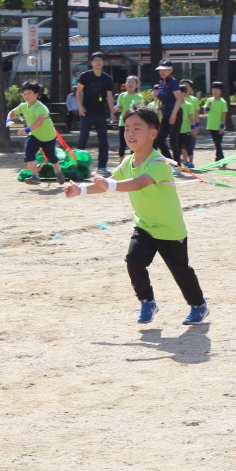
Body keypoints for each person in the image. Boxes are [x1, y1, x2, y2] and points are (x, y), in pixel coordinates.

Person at [65, 106, 209, 325]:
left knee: (180, 271)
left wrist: (111, 185)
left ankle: (199, 305)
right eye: (127, 129)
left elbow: (138, 183)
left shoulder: (158, 163)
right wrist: (81, 190)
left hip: (169, 228)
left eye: (137, 128)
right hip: (145, 226)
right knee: (133, 261)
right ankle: (147, 302)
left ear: (153, 133)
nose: (130, 133)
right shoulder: (128, 162)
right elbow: (109, 183)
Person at [7, 81, 64, 186]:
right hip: (34, 135)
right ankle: (35, 176)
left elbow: (40, 121)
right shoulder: (23, 106)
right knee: (29, 152)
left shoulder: (38, 107)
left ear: (37, 94)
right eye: (24, 94)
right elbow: (11, 113)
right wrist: (8, 121)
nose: (26, 96)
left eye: (29, 93)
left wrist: (26, 130)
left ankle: (58, 171)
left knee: (51, 157)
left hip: (48, 136)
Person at [75, 52, 116, 176]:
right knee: (83, 138)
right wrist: (80, 106)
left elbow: (109, 96)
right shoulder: (85, 76)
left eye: (100, 60)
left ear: (103, 62)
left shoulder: (107, 78)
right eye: (95, 60)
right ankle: (78, 164)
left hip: (100, 112)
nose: (98, 62)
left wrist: (112, 112)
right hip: (86, 112)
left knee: (103, 140)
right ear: (91, 62)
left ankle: (102, 166)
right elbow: (78, 92)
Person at [151, 59, 184, 167]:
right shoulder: (161, 82)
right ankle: (171, 162)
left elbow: (179, 99)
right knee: (160, 140)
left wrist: (174, 114)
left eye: (165, 70)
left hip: (175, 113)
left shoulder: (173, 82)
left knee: (173, 140)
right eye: (160, 70)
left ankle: (178, 165)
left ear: (171, 70)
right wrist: (158, 107)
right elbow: (161, 98)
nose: (162, 72)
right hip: (165, 114)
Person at [114, 75, 144, 159]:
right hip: (123, 123)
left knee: (134, 143)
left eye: (132, 82)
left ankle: (132, 162)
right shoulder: (122, 96)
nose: (130, 84)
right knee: (122, 144)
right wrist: (117, 108)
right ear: (125, 84)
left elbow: (142, 111)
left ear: (137, 85)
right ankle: (121, 163)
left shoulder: (139, 97)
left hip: (135, 124)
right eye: (128, 82)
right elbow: (119, 106)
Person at [203, 81, 228, 163]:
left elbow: (224, 115)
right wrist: (208, 107)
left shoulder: (223, 102)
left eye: (217, 90)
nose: (215, 91)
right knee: (216, 143)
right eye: (214, 89)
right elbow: (205, 112)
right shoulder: (209, 100)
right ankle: (218, 158)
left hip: (219, 126)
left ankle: (222, 158)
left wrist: (222, 127)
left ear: (221, 91)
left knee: (218, 143)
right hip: (211, 125)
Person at [177, 84, 198, 169]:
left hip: (186, 130)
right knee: (178, 148)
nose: (181, 95)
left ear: (185, 94)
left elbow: (191, 117)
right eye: (179, 93)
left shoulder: (188, 105)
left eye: (182, 93)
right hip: (177, 130)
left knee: (188, 146)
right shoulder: (175, 104)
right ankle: (181, 162)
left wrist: (193, 128)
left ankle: (190, 162)